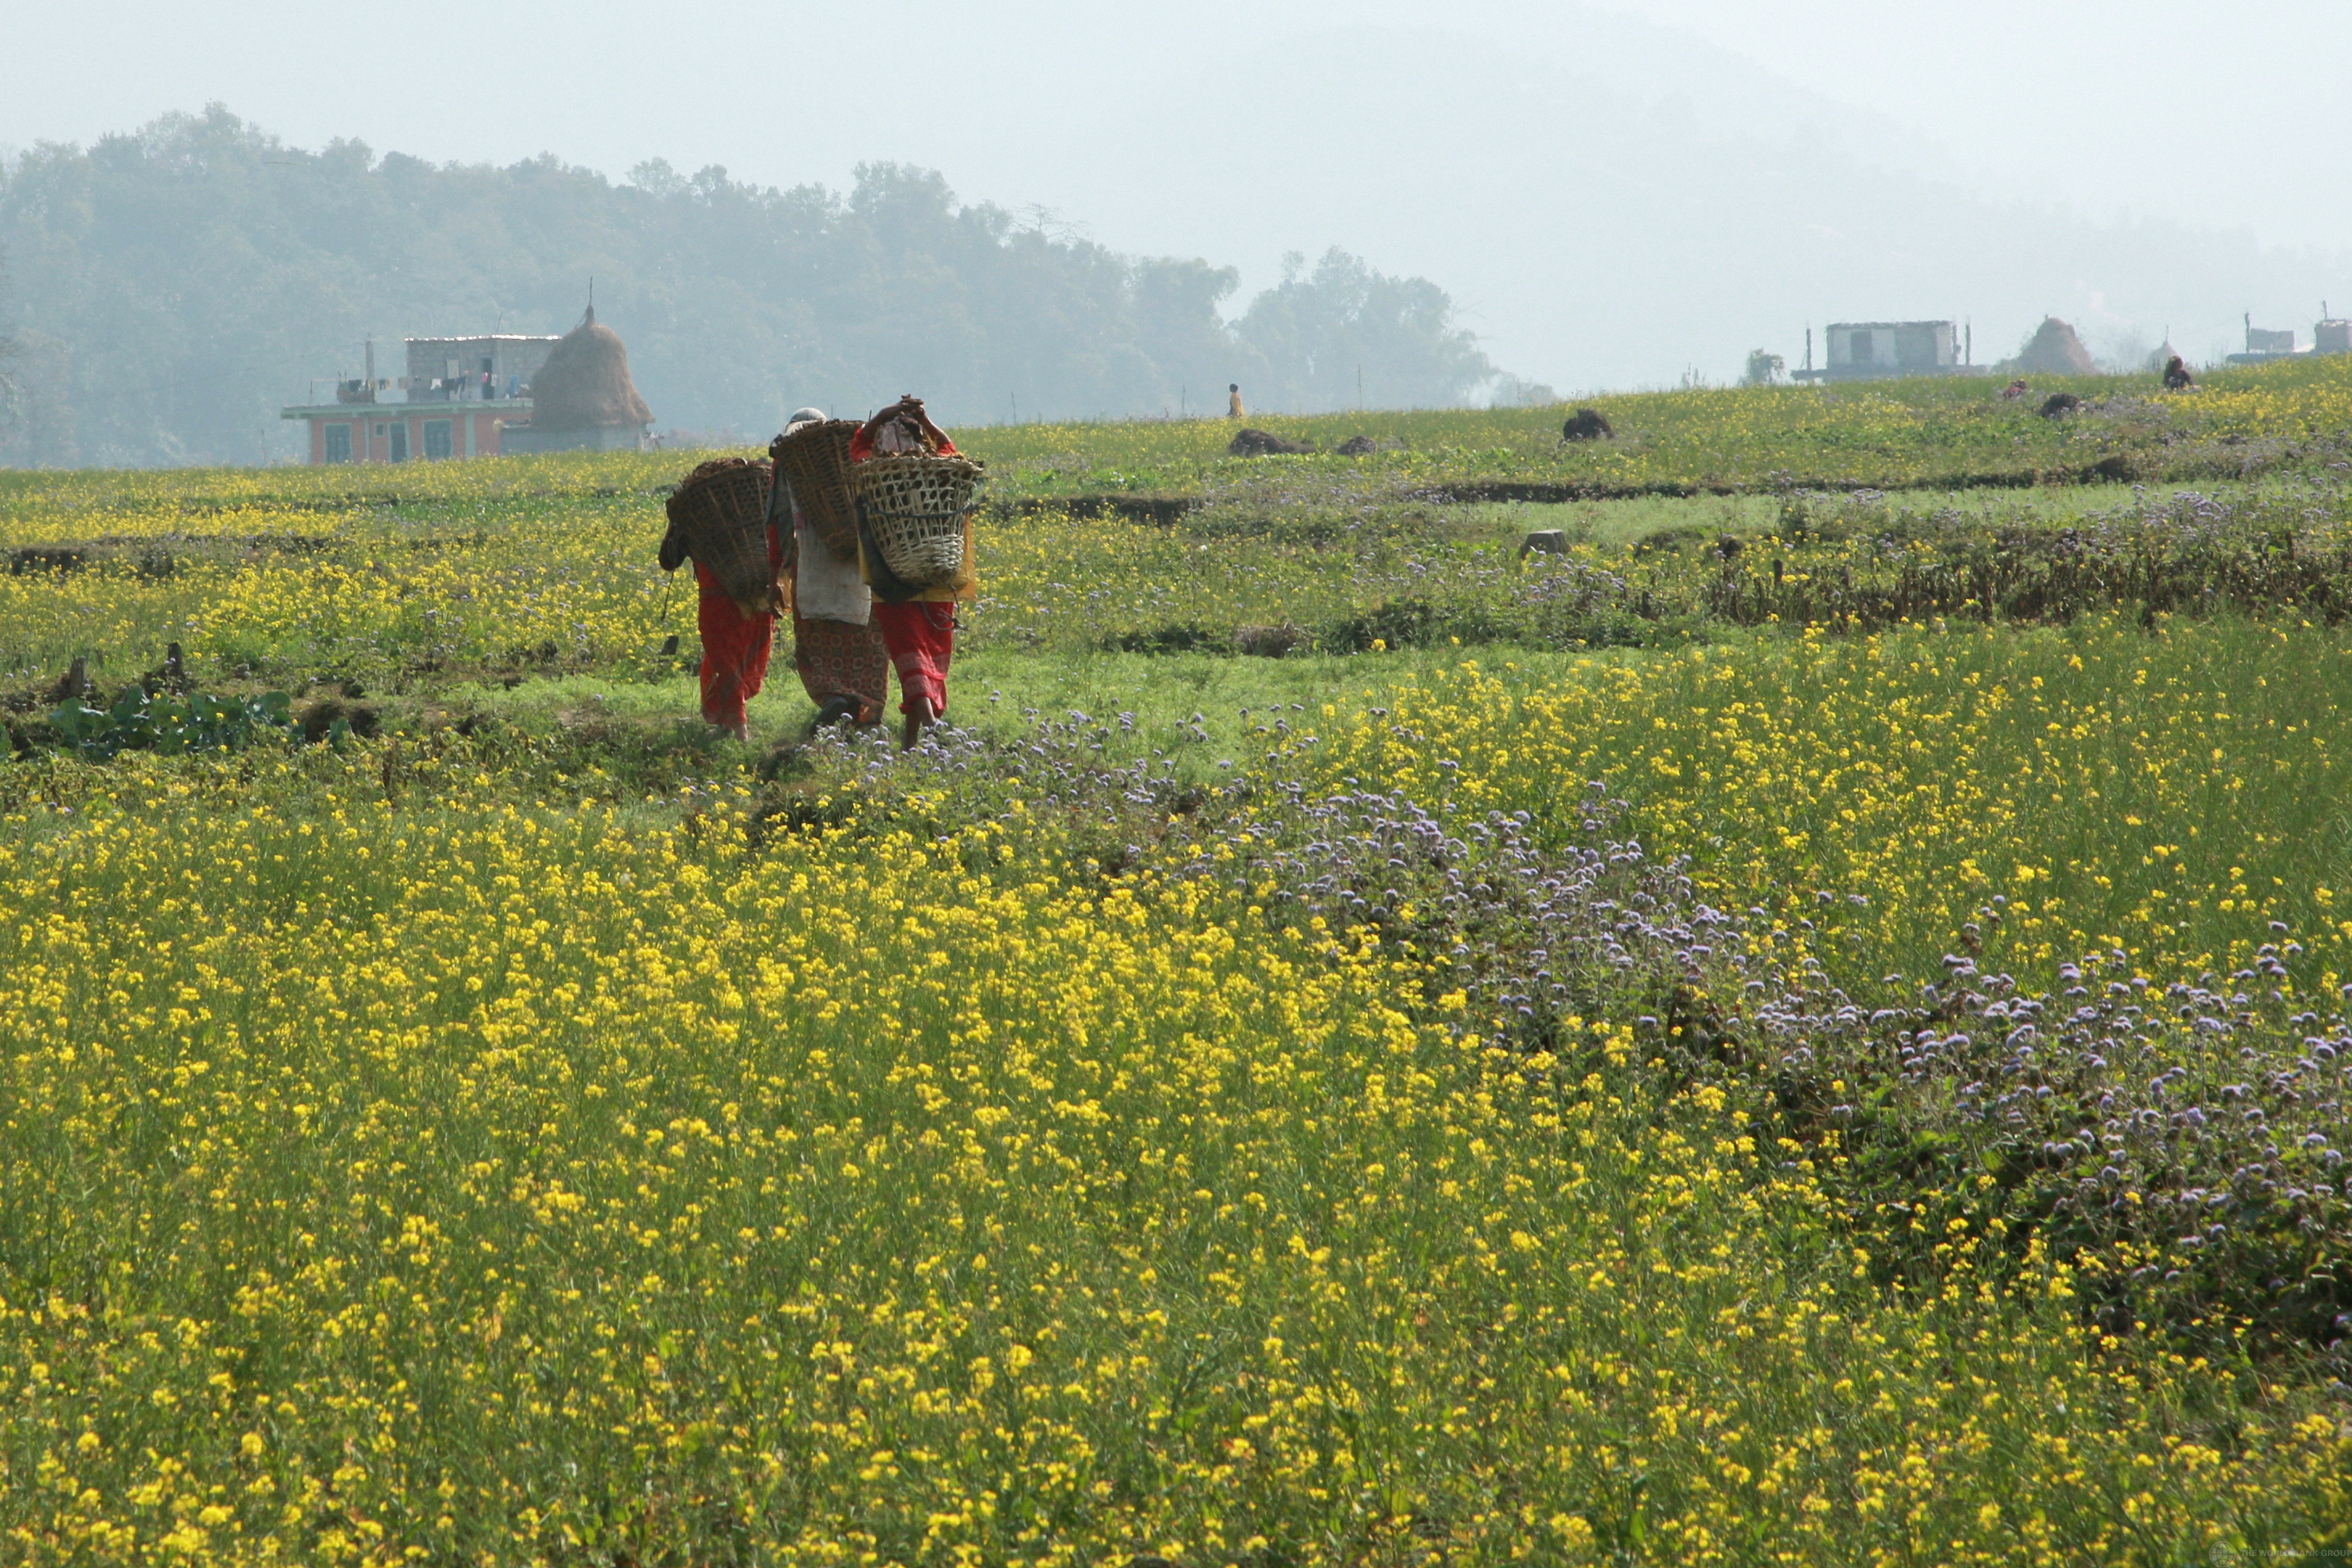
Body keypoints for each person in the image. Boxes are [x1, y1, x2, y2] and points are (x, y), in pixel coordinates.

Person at [850, 395, 975, 748]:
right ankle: (911, 741)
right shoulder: (941, 467)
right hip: (939, 578)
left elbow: (857, 444)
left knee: (910, 655)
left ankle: (930, 727)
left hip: (894, 581)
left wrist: (883, 417)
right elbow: (951, 448)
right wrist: (926, 420)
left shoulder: (875, 470)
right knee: (929, 655)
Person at [772, 407, 889, 729]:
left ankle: (834, 696)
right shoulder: (852, 454)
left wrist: (775, 572)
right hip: (864, 569)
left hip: (812, 571)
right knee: (869, 646)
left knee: (817, 647)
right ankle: (865, 714)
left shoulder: (789, 463)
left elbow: (779, 522)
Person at [659, 460, 786, 739]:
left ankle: (738, 727)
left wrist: (680, 528)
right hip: (759, 595)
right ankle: (729, 723)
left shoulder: (696, 515)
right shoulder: (757, 509)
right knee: (743, 660)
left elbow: (667, 560)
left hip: (718, 603)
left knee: (725, 664)